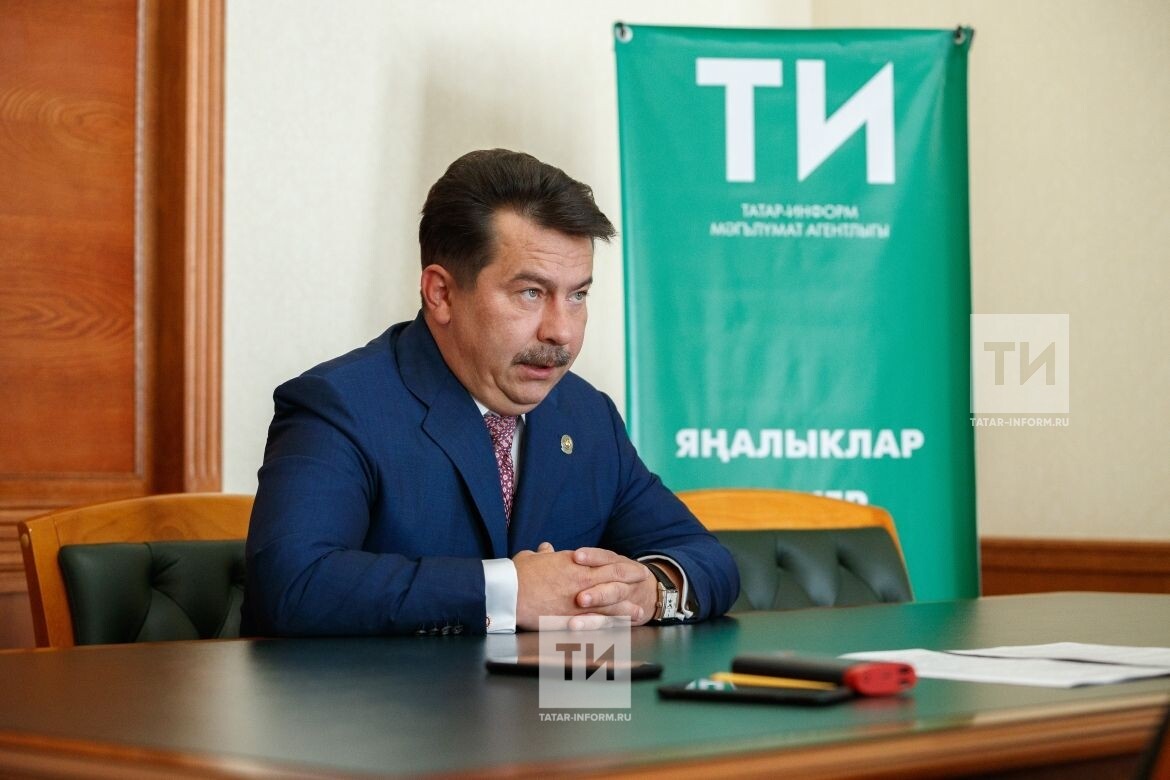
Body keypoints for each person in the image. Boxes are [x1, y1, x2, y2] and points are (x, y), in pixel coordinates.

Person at [242, 149, 739, 636]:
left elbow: (708, 559)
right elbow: (291, 585)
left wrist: (651, 590)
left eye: (578, 295)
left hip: (554, 692)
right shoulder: (340, 406)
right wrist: (508, 591)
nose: (562, 331)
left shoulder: (586, 415)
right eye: (531, 293)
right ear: (441, 294)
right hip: (388, 693)